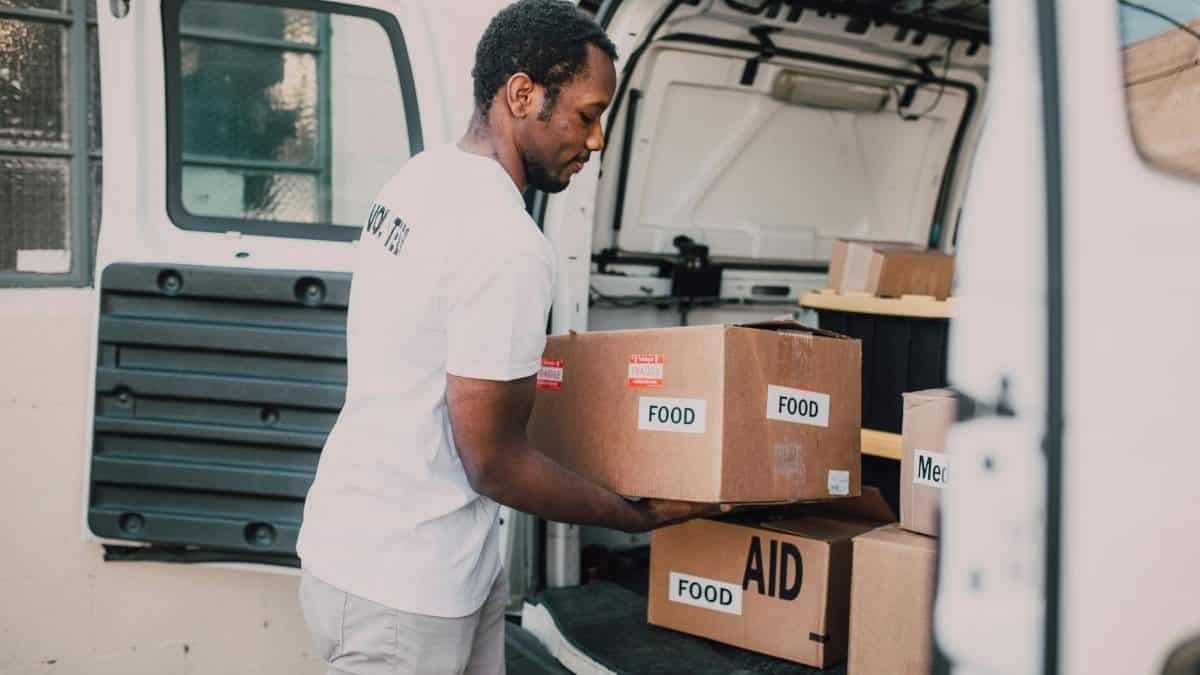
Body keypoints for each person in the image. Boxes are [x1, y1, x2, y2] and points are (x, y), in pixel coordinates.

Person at [296, 1, 716, 672]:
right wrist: (631, 515)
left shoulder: (419, 179)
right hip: (405, 585)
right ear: (522, 93)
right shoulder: (506, 243)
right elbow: (492, 460)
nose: (598, 138)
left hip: (374, 549)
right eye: (586, 114)